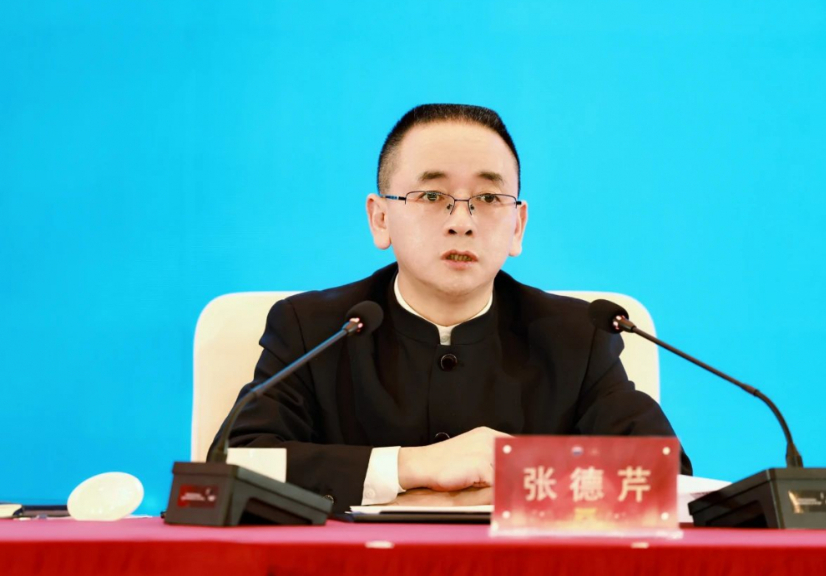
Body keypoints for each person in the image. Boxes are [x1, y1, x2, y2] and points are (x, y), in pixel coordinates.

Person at [214, 103, 691, 512]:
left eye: (488, 197)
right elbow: (230, 468)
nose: (461, 221)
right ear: (380, 218)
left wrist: (520, 475)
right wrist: (410, 466)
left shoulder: (577, 335)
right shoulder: (314, 328)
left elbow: (665, 475)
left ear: (517, 226)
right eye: (431, 195)